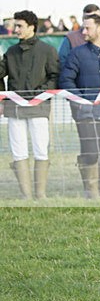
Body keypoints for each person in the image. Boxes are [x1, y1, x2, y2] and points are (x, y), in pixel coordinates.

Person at [58, 15, 100, 199]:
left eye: (88, 28)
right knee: (90, 151)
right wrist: (81, 102)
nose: (84, 32)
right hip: (86, 114)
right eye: (83, 28)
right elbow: (66, 80)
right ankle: (92, 191)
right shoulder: (77, 54)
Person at [0, 10, 60, 199]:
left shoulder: (47, 50)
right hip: (14, 108)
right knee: (18, 150)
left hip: (39, 107)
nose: (15, 29)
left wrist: (38, 94)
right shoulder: (10, 52)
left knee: (41, 148)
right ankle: (26, 195)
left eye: (19, 26)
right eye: (15, 25)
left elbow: (54, 76)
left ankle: (40, 194)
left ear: (31, 27)